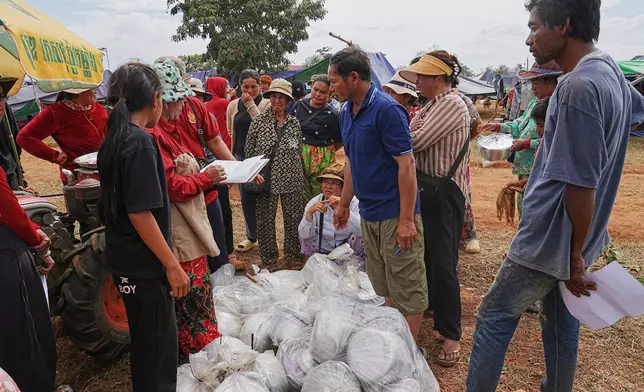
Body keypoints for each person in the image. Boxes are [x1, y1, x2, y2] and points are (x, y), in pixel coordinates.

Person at [467, 0, 644, 390]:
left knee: (494, 315)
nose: (529, 39)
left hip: (551, 240)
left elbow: (581, 182)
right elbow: (635, 114)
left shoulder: (576, 86)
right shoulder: (610, 70)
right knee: (561, 318)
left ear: (563, 25)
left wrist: (575, 255)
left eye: (534, 28)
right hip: (579, 237)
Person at [97, 62, 190, 392]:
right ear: (155, 98)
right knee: (158, 353)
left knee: (146, 347)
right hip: (145, 267)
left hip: (125, 260)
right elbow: (140, 214)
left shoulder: (114, 138)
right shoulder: (140, 142)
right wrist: (173, 265)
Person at [329, 47, 428, 343]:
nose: (331, 86)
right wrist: (345, 204)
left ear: (354, 77)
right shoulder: (346, 113)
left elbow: (406, 165)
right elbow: (351, 162)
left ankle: (405, 352)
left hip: (395, 212)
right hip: (369, 213)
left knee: (407, 282)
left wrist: (407, 220)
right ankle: (391, 340)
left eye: (334, 80)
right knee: (383, 280)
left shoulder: (387, 110)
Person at [400, 51, 470, 367]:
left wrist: (400, 135)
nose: (417, 82)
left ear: (438, 78)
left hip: (445, 192)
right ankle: (437, 317)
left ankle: (452, 335)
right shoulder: (432, 104)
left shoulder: (452, 104)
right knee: (429, 257)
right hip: (429, 190)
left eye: (422, 77)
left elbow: (414, 140)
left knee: (443, 264)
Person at [150, 60, 224, 359]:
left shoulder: (169, 128)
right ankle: (203, 356)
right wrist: (207, 177)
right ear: (165, 101)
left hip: (189, 225)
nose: (184, 103)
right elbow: (173, 186)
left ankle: (197, 352)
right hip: (180, 233)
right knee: (193, 300)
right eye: (179, 98)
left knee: (195, 296)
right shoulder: (154, 136)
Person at [478, 61, 562, 217]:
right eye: (531, 83)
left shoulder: (557, 107)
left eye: (536, 82)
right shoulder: (533, 103)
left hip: (542, 169)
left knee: (536, 211)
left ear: (550, 82)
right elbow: (519, 124)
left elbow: (558, 143)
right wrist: (498, 127)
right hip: (525, 167)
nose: (532, 87)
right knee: (525, 208)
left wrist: (526, 144)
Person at [245, 79, 304, 268]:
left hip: (291, 175)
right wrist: (253, 171)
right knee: (265, 218)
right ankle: (269, 259)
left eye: (281, 97)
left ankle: (293, 256)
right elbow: (249, 149)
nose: (277, 100)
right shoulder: (259, 121)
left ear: (288, 100)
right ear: (269, 98)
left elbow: (298, 149)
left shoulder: (294, 122)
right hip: (265, 176)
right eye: (274, 96)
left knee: (294, 216)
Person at [17, 87, 107, 183]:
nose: (96, 92)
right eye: (92, 89)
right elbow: (24, 137)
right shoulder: (55, 113)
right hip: (78, 175)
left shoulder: (99, 108)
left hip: (106, 169)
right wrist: (57, 157)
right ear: (80, 91)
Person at [226, 70, 271, 253]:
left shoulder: (267, 104)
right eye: (246, 87)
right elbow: (231, 130)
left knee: (264, 196)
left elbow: (264, 129)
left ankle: (267, 237)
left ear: (260, 86)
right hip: (240, 156)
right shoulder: (233, 105)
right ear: (239, 87)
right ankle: (252, 236)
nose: (250, 90)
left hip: (261, 159)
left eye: (254, 86)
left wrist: (251, 104)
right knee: (246, 198)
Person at [299, 161, 364, 264]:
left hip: (348, 252)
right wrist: (309, 214)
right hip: (322, 252)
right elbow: (304, 235)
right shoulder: (315, 202)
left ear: (344, 186)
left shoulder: (354, 202)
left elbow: (361, 231)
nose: (328, 186)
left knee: (362, 235)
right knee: (305, 228)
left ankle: (356, 263)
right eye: (325, 182)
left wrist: (343, 209)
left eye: (333, 183)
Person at [291, 74, 342, 200]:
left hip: (322, 159)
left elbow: (338, 141)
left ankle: (320, 219)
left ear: (330, 94)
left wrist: (321, 153)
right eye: (315, 90)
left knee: (320, 195)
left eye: (323, 92)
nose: (318, 94)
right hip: (298, 156)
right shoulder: (299, 106)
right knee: (301, 195)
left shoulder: (332, 115)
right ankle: (305, 219)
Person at [205, 76, 235, 257]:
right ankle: (228, 252)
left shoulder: (203, 107)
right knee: (224, 209)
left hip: (209, 156)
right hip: (223, 152)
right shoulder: (225, 103)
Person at [0, 77, 23, 190]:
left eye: (1, 97)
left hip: (9, 175)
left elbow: (15, 141)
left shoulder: (6, 111)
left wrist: (20, 174)